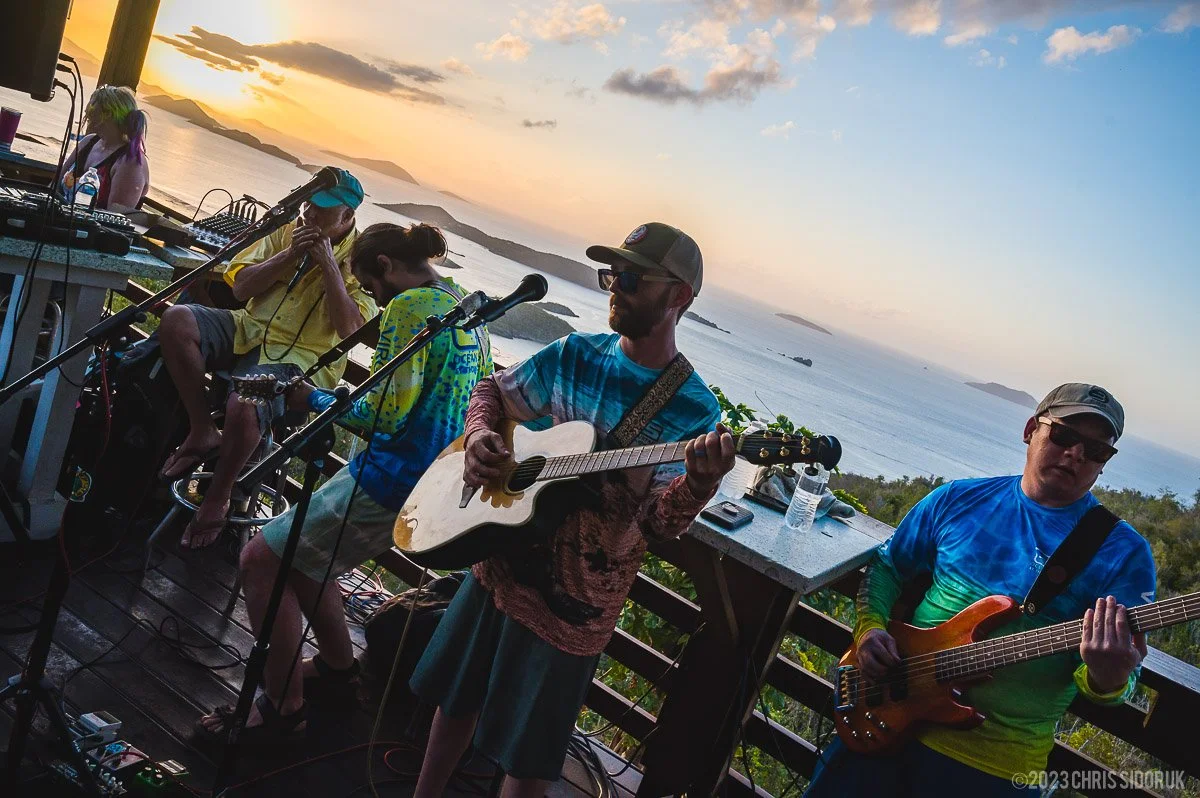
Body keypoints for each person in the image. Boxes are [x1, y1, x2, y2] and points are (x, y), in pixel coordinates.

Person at [410, 222, 735, 797]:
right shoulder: (575, 354)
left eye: (632, 279)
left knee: (528, 758)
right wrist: (481, 434)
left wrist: (700, 484)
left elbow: (658, 525)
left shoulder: (692, 411)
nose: (615, 288)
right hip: (500, 559)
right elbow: (493, 392)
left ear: (679, 296)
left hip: (574, 603)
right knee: (453, 704)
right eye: (612, 275)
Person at [195, 221, 492, 742]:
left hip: (392, 475)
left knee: (260, 559)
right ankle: (337, 669)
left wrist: (308, 398)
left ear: (384, 266)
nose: (377, 301)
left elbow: (386, 415)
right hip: (432, 476)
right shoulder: (463, 303)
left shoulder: (410, 307)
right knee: (310, 563)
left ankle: (283, 709)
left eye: (372, 288)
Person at [804, 384, 1157, 797]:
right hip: (883, 713)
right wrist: (869, 630)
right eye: (1063, 435)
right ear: (1031, 429)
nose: (1076, 454)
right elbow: (888, 567)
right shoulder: (958, 498)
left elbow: (1118, 684)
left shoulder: (1124, 553)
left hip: (994, 766)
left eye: (1096, 450)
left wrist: (1108, 676)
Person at [156, 168, 376, 549]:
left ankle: (219, 497)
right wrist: (290, 255)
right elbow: (240, 287)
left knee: (246, 400)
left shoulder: (362, 260)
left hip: (303, 361)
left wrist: (328, 265)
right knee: (177, 320)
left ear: (347, 217)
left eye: (323, 210)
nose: (310, 215)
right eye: (309, 205)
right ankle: (202, 429)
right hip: (250, 329)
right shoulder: (287, 232)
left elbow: (350, 329)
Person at [62, 85, 149, 212]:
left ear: (107, 115)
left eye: (92, 109)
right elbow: (54, 185)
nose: (86, 113)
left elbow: (113, 216)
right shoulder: (88, 142)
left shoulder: (130, 162)